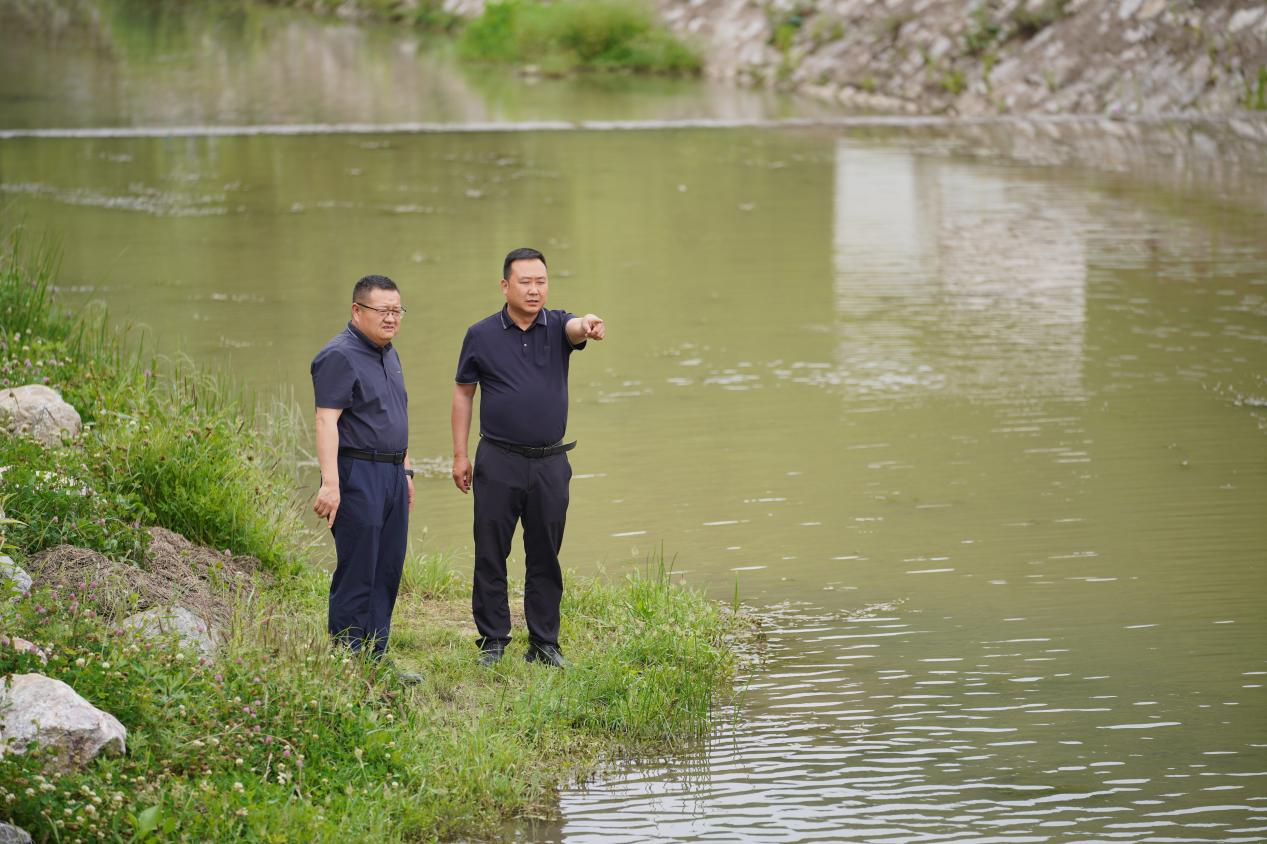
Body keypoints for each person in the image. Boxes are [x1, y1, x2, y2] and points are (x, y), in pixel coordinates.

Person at [451, 247, 606, 668]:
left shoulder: (557, 325)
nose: (534, 290)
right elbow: (463, 393)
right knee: (490, 551)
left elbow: (576, 328)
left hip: (550, 463)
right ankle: (493, 640)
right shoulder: (480, 334)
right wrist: (460, 455)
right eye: (525, 282)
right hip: (498, 459)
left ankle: (544, 642)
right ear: (506, 286)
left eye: (541, 281)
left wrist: (587, 324)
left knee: (545, 554)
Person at [311, 274, 416, 664]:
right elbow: (326, 420)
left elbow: (395, 415)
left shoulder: (389, 352)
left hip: (392, 474)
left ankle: (375, 655)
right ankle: (347, 656)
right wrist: (331, 484)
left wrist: (406, 471)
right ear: (357, 310)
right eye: (383, 310)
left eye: (397, 311)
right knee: (358, 568)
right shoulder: (338, 355)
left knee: (387, 567)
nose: (391, 318)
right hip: (358, 473)